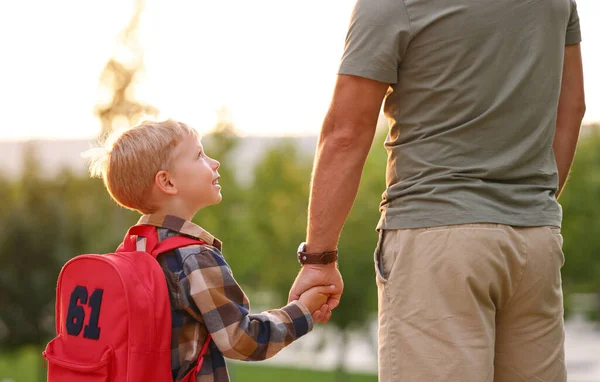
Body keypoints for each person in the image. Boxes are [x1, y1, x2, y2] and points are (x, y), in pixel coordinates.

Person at [289, 0, 586, 380]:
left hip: (436, 241)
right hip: (535, 243)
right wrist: (528, 204)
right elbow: (572, 107)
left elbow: (345, 134)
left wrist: (319, 260)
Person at [87, 119, 333, 381]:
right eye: (199, 155)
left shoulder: (132, 252)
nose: (214, 162)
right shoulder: (195, 258)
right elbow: (242, 340)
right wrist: (301, 311)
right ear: (167, 182)